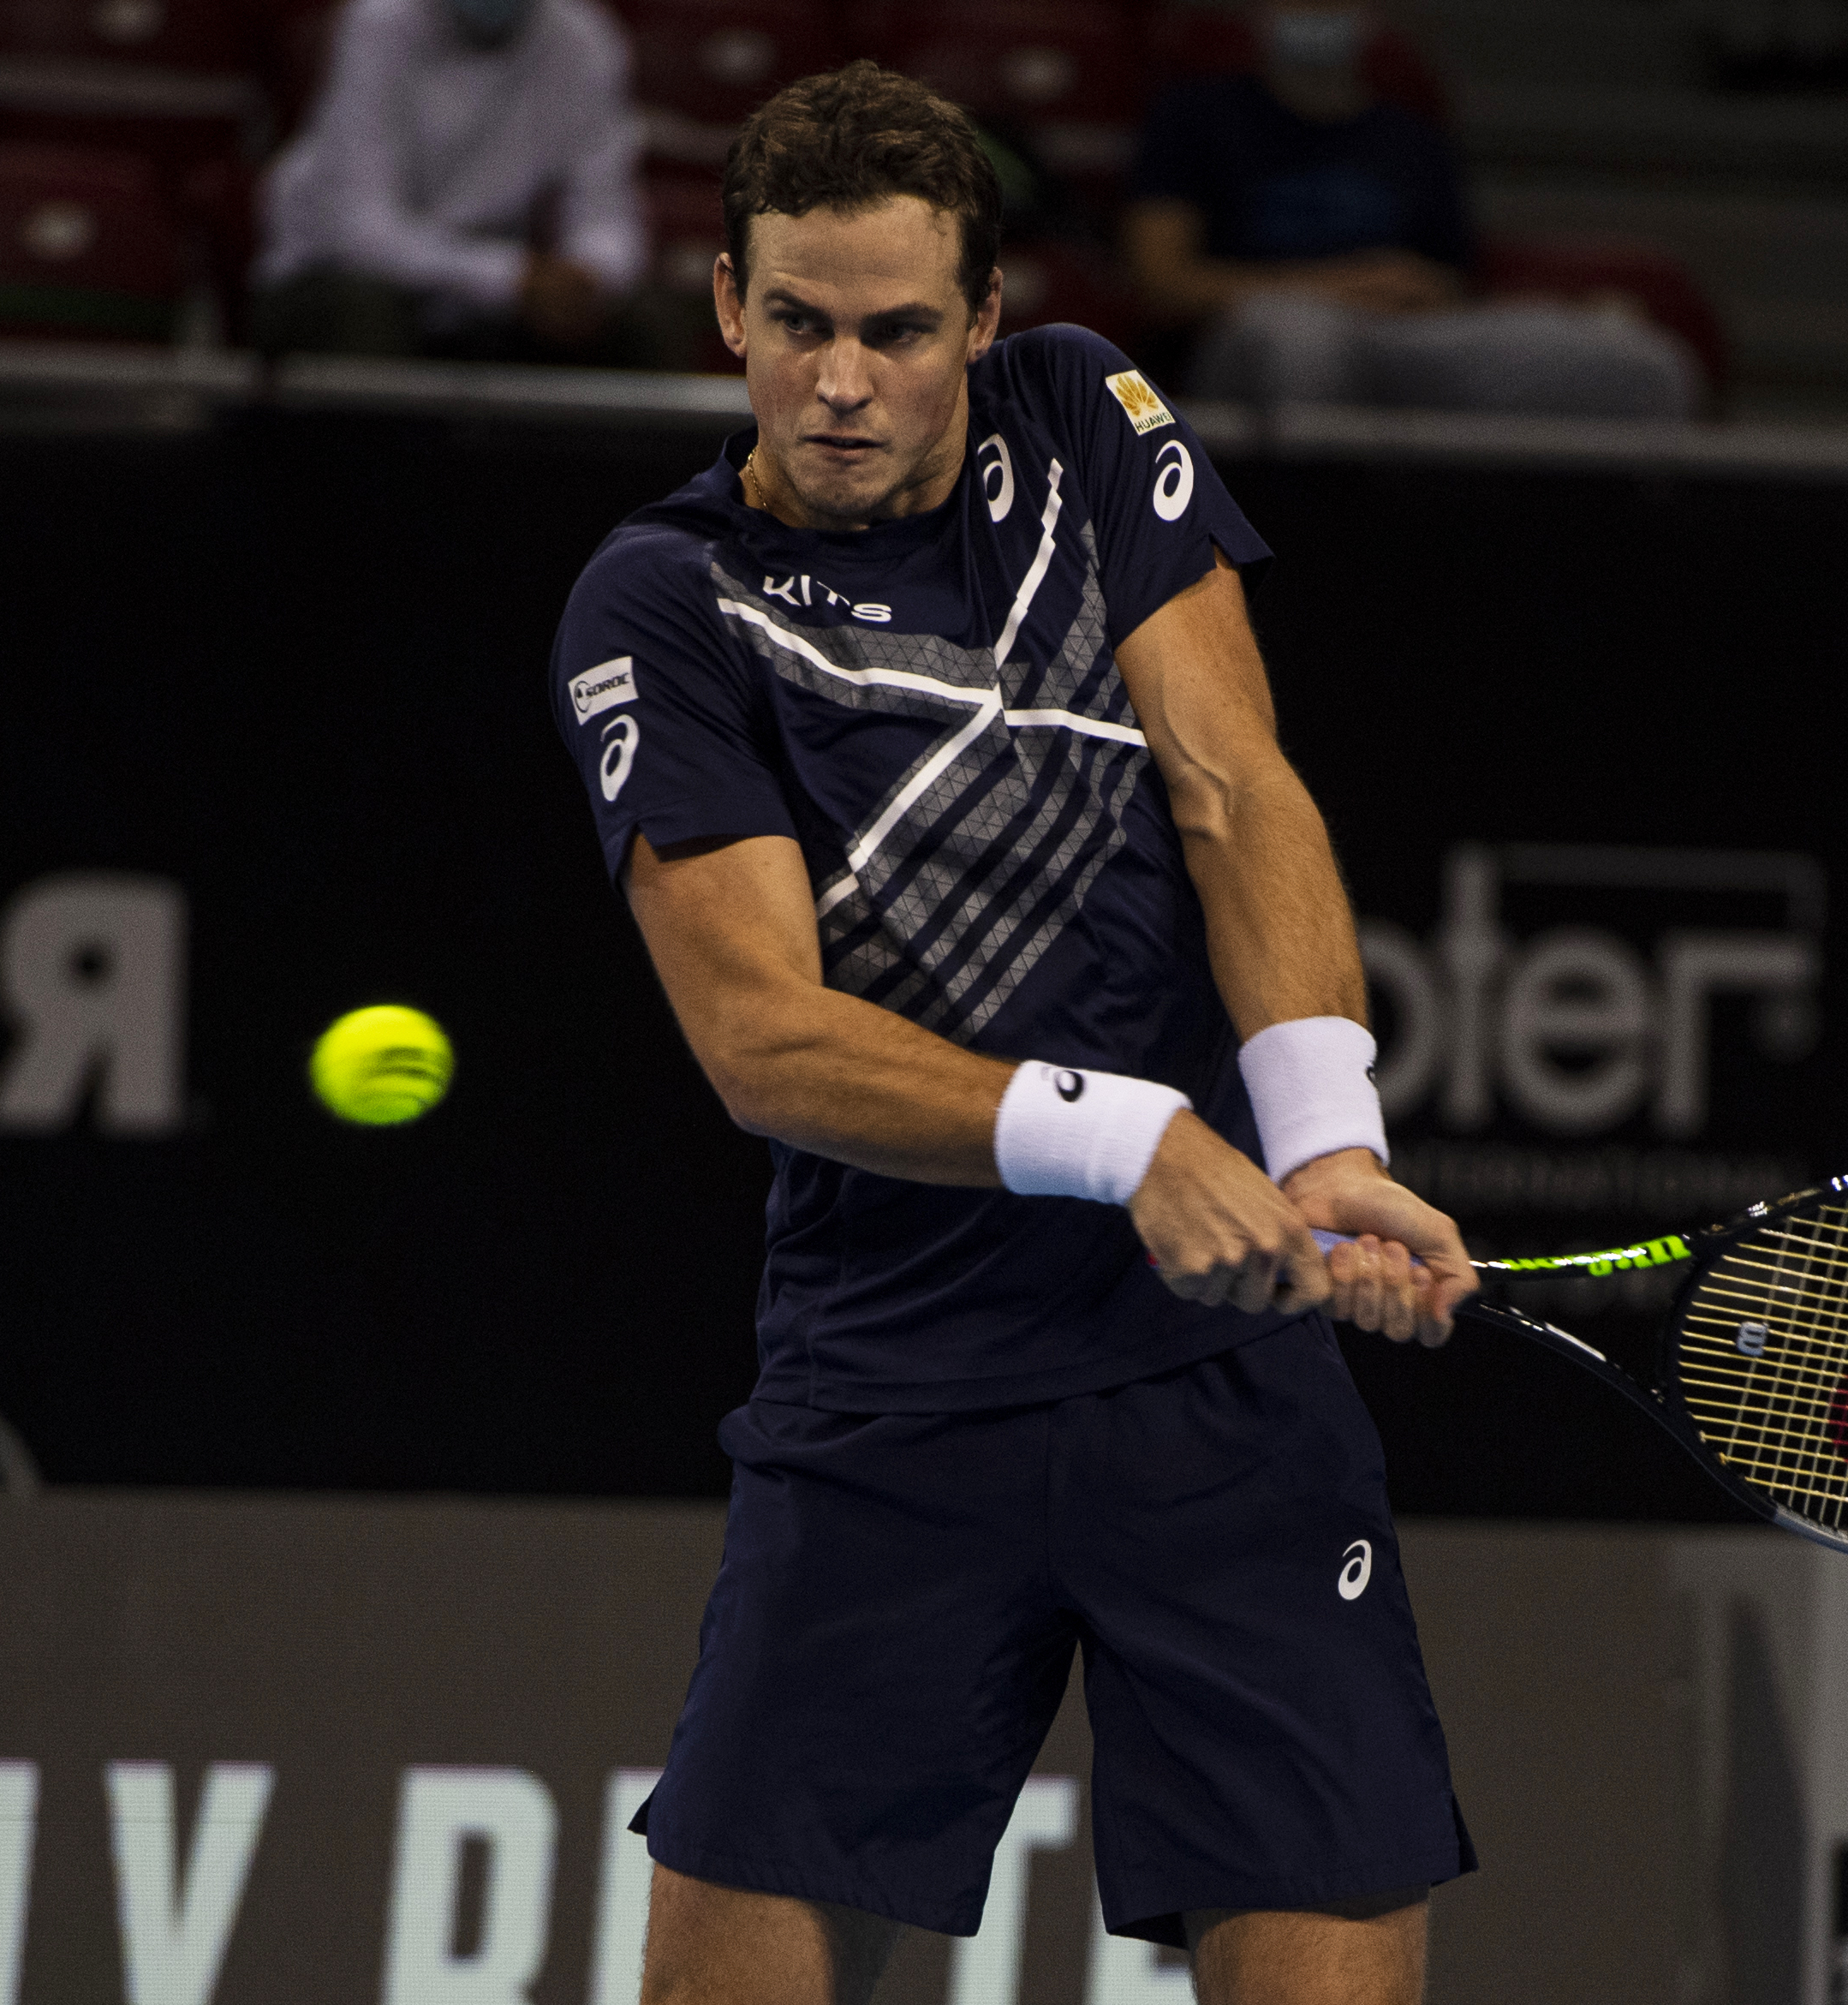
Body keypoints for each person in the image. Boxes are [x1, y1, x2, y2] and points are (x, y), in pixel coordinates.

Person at [547, 60, 1481, 2005]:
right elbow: (762, 1040)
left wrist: (1322, 1132)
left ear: (981, 319)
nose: (839, 382)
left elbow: (1234, 780)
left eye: (897, 330)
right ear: (727, 304)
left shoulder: (1077, 414)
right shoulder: (665, 600)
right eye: (795, 323)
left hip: (1216, 1398)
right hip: (896, 1390)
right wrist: (1125, 1135)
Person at [1126, 0, 1702, 420]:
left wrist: (1419, 291)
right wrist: (1341, 287)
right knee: (1303, 346)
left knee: (1641, 366)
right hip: (1255, 333)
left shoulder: (1411, 137)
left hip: (1406, 340)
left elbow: (1451, 283)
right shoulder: (1195, 117)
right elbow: (1161, 285)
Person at [255, 0, 671, 363]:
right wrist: (509, 278)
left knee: (639, 319)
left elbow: (608, 211)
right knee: (362, 314)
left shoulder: (585, 38)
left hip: (488, 292)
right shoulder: (378, 22)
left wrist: (589, 276)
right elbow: (361, 227)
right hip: (338, 273)